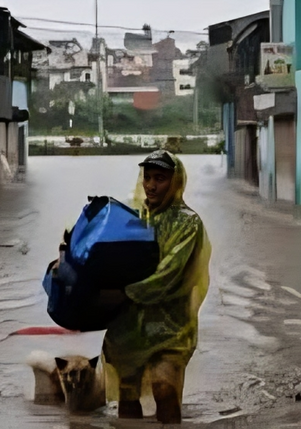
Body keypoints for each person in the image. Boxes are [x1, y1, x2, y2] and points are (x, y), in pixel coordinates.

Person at [101, 150, 212, 424]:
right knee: (127, 396)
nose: (151, 185)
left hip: (172, 327)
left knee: (165, 389)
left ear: (175, 182)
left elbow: (169, 274)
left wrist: (124, 292)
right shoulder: (132, 218)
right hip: (129, 329)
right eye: (147, 177)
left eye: (160, 179)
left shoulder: (188, 223)